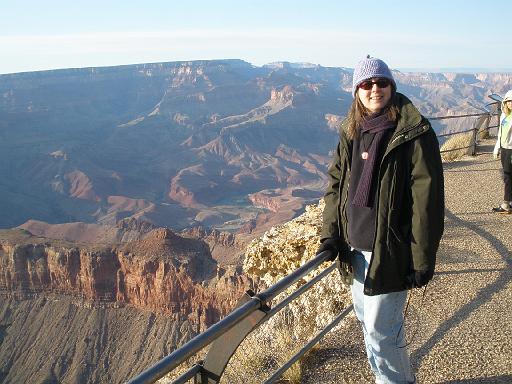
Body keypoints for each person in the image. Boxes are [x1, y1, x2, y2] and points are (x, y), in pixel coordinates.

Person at [316, 56, 445, 384]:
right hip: (355, 250)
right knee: (372, 328)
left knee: (380, 333)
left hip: (390, 251)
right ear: (356, 90)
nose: (375, 89)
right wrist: (330, 235)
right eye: (367, 83)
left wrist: (422, 258)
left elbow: (427, 204)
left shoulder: (414, 133)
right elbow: (336, 186)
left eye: (381, 82)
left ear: (392, 86)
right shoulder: (352, 130)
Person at [492, 90, 512, 214]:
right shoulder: (504, 115)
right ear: (504, 102)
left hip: (511, 150)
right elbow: (500, 133)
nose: (510, 103)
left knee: (508, 177)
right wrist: (496, 148)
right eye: (508, 101)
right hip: (504, 149)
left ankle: (506, 204)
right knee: (509, 176)